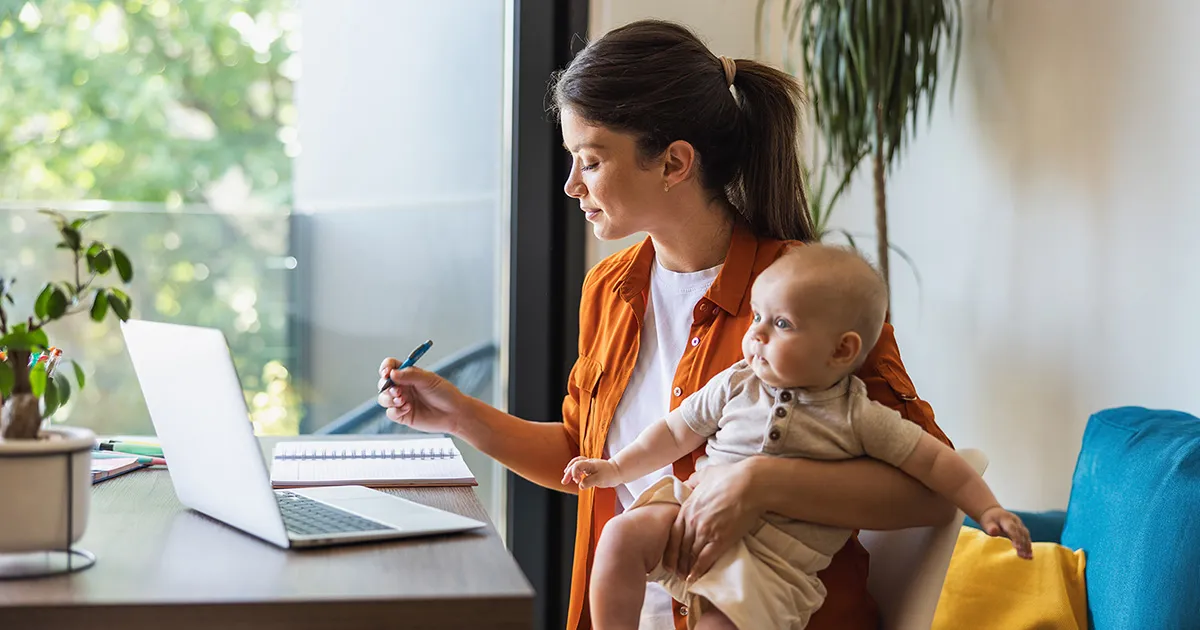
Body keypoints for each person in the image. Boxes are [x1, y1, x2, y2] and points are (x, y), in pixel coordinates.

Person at [379, 19, 959, 630]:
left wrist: (763, 482)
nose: (573, 185)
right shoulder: (611, 288)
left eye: (592, 160)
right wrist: (457, 414)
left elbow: (932, 490)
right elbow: (588, 455)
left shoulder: (806, 297)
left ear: (675, 162)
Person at [562, 246, 1033, 630]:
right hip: (691, 512)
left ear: (841, 349)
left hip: (770, 568)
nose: (758, 335)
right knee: (620, 536)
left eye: (781, 324)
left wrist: (988, 509)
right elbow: (673, 431)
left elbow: (936, 463)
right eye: (757, 317)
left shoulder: (858, 416)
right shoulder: (738, 381)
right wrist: (616, 468)